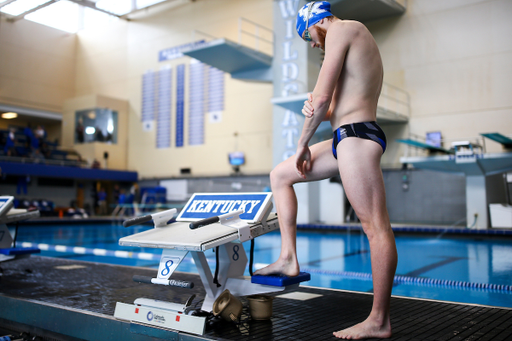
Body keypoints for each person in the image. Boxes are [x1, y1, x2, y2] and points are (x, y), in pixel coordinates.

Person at [254, 2, 397, 339]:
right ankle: (289, 257)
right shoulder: (347, 38)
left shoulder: (343, 29)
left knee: (374, 227)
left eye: (310, 38)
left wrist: (303, 141)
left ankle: (379, 320)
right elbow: (329, 107)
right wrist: (316, 104)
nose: (314, 45)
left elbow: (322, 100)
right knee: (280, 175)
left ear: (316, 23)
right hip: (342, 136)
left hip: (358, 137)